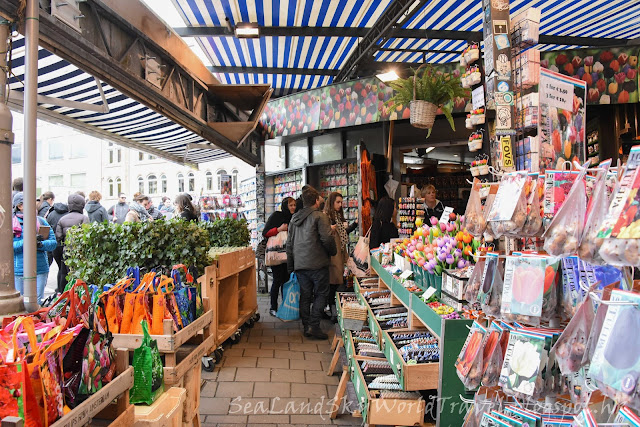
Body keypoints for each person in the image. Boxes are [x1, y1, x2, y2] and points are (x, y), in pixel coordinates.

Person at [287, 186, 336, 339]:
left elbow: (289, 245)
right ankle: (314, 326)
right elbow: (327, 239)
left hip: (300, 264)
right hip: (317, 263)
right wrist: (332, 252)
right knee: (321, 294)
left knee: (305, 296)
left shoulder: (294, 219)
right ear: (316, 201)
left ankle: (306, 325)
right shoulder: (320, 217)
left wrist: (291, 265)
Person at [12, 192, 57, 305]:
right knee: (21, 304)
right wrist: (28, 241)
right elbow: (10, 248)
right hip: (19, 271)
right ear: (20, 206)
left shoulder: (41, 221)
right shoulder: (11, 224)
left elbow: (53, 243)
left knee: (36, 303)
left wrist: (40, 244)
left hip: (40, 268)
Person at [324, 192, 358, 322]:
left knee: (336, 284)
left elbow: (344, 233)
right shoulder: (326, 217)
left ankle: (334, 311)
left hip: (340, 253)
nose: (340, 205)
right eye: (337, 202)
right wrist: (335, 228)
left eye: (341, 202)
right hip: (332, 256)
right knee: (332, 285)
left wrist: (354, 224)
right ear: (331, 202)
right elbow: (326, 234)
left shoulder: (338, 216)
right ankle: (332, 311)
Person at [263, 197, 296, 317]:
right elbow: (265, 232)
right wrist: (279, 229)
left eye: (294, 205)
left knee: (286, 281)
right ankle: (273, 307)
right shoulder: (276, 216)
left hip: (289, 255)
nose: (293, 207)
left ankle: (285, 306)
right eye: (290, 205)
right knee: (277, 280)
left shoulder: (294, 218)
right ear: (285, 206)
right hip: (277, 254)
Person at [55, 194, 89, 291]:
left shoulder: (62, 219)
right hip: (80, 252)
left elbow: (58, 237)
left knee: (64, 273)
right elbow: (86, 235)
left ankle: (64, 294)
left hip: (66, 250)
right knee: (78, 275)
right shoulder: (84, 218)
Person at [45, 201, 69, 292]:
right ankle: (64, 290)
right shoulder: (67, 214)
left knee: (60, 268)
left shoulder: (51, 214)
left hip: (56, 245)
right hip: (66, 245)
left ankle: (59, 289)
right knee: (65, 269)